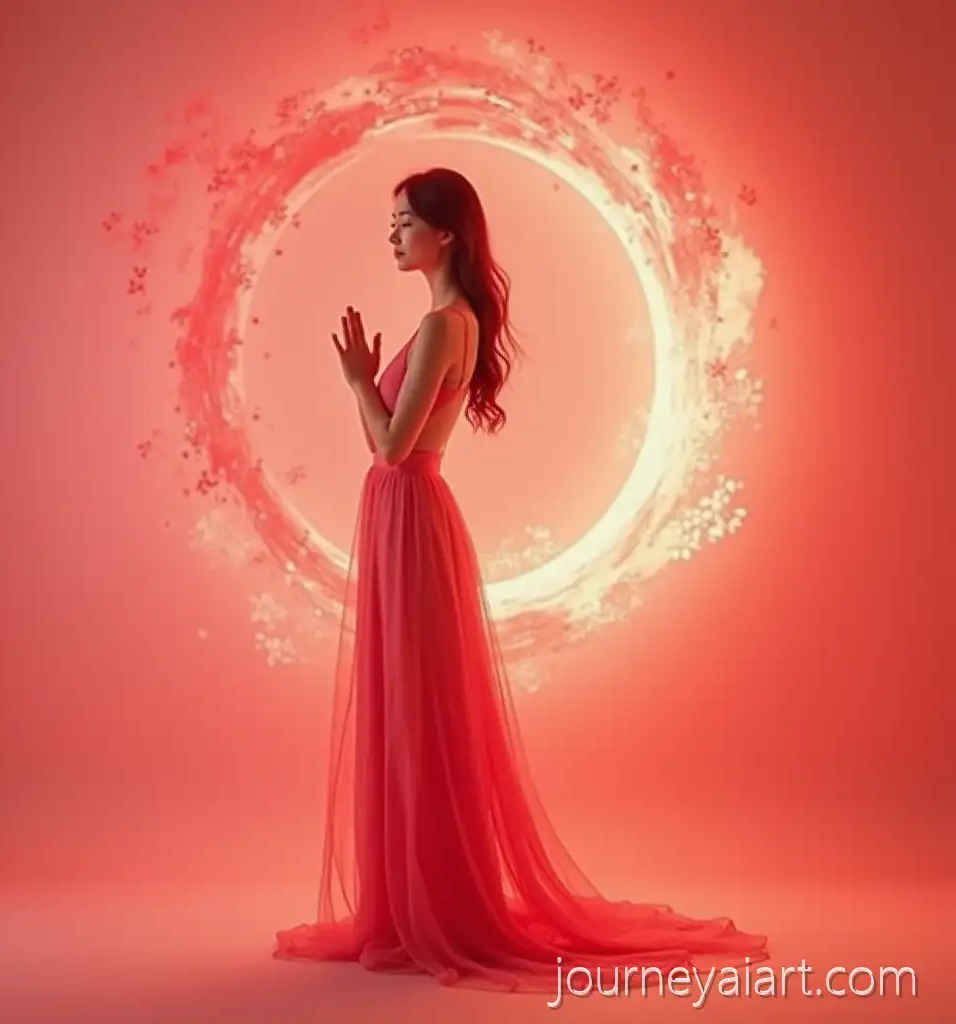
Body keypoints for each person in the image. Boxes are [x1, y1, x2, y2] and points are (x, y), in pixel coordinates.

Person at [273, 168, 768, 992]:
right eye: (391, 221)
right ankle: (414, 899)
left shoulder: (442, 326)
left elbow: (392, 447)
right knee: (412, 708)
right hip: (408, 518)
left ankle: (432, 907)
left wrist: (361, 380)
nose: (391, 235)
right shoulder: (453, 321)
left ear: (447, 234)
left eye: (403, 222)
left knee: (415, 711)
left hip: (410, 509)